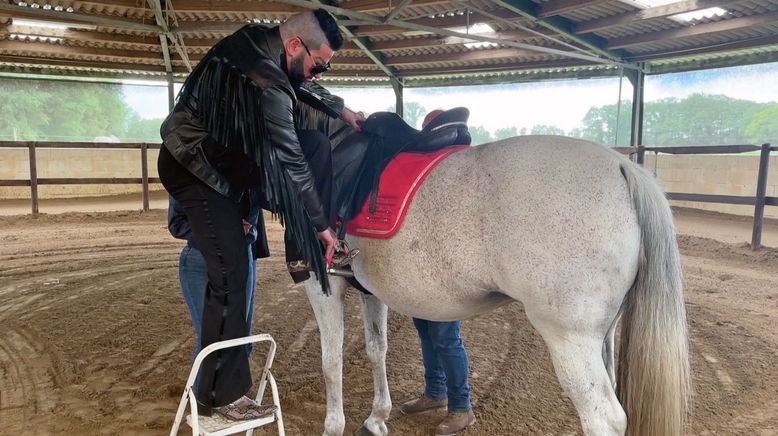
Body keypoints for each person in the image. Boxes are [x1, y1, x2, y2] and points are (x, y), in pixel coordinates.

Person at [157, 9, 344, 416]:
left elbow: (303, 85)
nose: (318, 74)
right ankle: (217, 399)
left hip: (231, 159)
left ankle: (301, 252)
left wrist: (340, 110)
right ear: (296, 45)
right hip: (195, 166)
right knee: (231, 276)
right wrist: (321, 225)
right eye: (319, 65)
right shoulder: (269, 82)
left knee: (318, 145)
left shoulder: (259, 38)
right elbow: (291, 161)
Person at [400, 109, 476, 436]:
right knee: (426, 332)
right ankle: (435, 392)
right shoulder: (426, 168)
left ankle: (462, 407)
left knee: (446, 338)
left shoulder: (459, 170)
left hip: (445, 269)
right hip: (422, 266)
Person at [167, 195, 268, 419]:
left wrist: (247, 231)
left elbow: (258, 212)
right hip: (203, 258)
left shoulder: (247, 171)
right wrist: (222, 231)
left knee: (241, 337)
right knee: (210, 341)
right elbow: (177, 224)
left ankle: (232, 397)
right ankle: (201, 411)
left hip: (242, 255)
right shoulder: (188, 170)